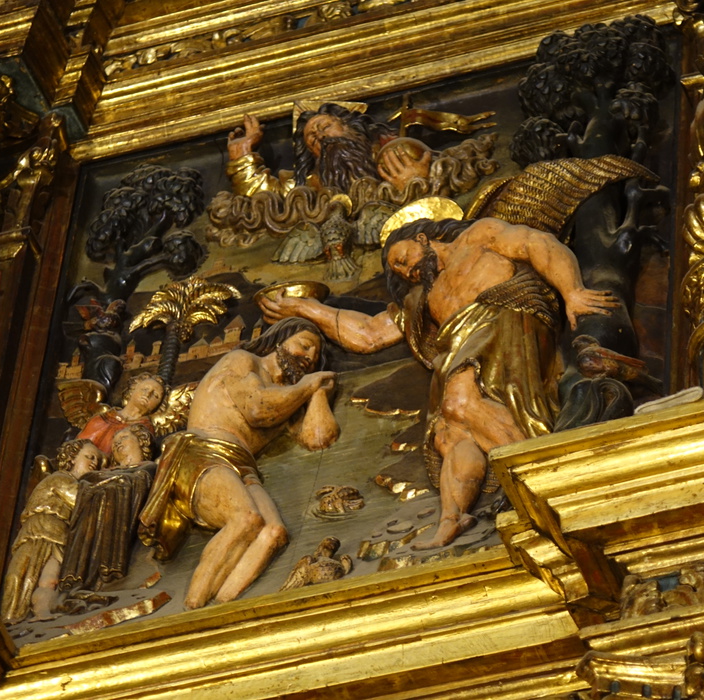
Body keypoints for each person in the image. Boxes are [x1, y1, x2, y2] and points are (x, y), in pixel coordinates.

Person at [258, 216, 619, 549]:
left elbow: (537, 244)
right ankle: (452, 518)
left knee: (460, 403)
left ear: (421, 238)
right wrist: (305, 308)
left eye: (402, 258)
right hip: (460, 354)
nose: (406, 270)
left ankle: (545, 471)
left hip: (506, 327)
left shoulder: (479, 238)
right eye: (399, 271)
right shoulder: (424, 299)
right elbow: (369, 334)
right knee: (450, 435)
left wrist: (572, 291)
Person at [138, 318, 339, 609]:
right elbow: (257, 407)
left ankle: (223, 608)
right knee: (245, 519)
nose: (309, 357)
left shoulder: (288, 394)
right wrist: (308, 387)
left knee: (273, 533)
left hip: (243, 467)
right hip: (203, 451)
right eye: (304, 345)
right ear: (278, 341)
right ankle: (192, 608)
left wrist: (319, 393)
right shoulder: (244, 361)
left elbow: (317, 438)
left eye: (315, 356)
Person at [1, 439, 104, 623]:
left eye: (97, 460)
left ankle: (41, 612)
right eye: (89, 457)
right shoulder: (60, 479)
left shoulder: (79, 484)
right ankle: (11, 618)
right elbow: (78, 499)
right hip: (37, 531)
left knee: (49, 579)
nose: (94, 463)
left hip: (58, 534)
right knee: (17, 575)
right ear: (72, 458)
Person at [226, 104, 431, 195]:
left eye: (325, 127)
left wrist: (418, 181)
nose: (322, 137)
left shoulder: (395, 155)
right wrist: (242, 155)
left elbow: (442, 169)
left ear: (349, 126)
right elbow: (265, 197)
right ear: (313, 156)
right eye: (313, 139)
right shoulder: (311, 187)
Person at [59, 424, 155, 593]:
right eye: (114, 443)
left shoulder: (148, 467)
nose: (117, 444)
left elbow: (139, 483)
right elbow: (88, 481)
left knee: (114, 488)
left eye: (124, 438)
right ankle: (77, 574)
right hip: (92, 512)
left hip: (119, 506)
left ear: (141, 442)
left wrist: (113, 483)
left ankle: (108, 566)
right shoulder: (108, 471)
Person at [76, 372, 165, 454]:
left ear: (159, 406)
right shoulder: (100, 419)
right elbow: (78, 449)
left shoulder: (145, 431)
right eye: (145, 389)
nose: (148, 394)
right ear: (133, 389)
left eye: (156, 395)